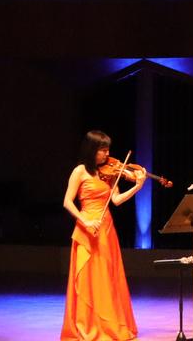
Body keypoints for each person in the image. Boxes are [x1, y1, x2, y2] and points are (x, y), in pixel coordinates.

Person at [61, 130, 146, 341]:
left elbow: (116, 200)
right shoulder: (80, 171)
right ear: (92, 150)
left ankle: (108, 324)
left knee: (107, 277)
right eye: (103, 150)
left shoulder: (108, 173)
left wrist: (137, 186)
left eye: (108, 150)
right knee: (88, 278)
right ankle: (88, 324)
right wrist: (85, 221)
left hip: (106, 229)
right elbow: (67, 202)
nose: (107, 154)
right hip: (87, 228)